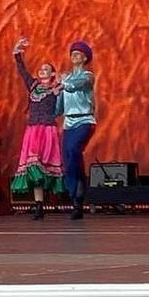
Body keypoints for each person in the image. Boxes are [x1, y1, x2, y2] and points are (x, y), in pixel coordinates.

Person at [10, 37, 63, 219]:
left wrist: (61, 87)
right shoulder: (33, 86)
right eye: (40, 69)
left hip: (48, 130)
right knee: (33, 165)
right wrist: (17, 53)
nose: (42, 71)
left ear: (52, 73)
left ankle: (51, 202)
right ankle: (38, 206)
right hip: (33, 131)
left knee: (45, 167)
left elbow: (63, 103)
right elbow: (22, 71)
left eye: (46, 69)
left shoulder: (57, 87)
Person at [58, 39, 96, 221]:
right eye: (72, 53)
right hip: (68, 122)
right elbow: (59, 107)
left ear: (85, 58)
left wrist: (62, 83)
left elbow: (75, 86)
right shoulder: (65, 78)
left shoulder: (87, 76)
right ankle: (76, 198)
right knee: (68, 159)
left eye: (78, 53)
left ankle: (78, 190)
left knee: (74, 150)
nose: (74, 55)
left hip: (84, 120)